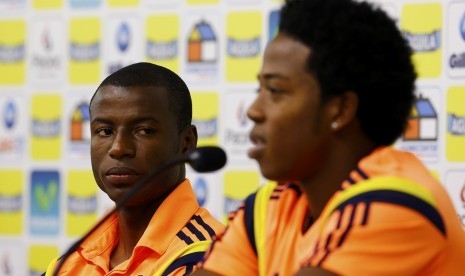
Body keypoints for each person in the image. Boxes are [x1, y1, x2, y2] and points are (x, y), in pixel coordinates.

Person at [196, 0, 465, 275]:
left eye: (276, 91)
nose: (254, 110)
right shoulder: (267, 209)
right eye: (260, 89)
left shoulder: (394, 204)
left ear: (341, 110)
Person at [44, 62, 225, 275]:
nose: (119, 148)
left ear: (186, 142)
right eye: (104, 131)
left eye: (144, 131)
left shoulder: (210, 258)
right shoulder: (68, 264)